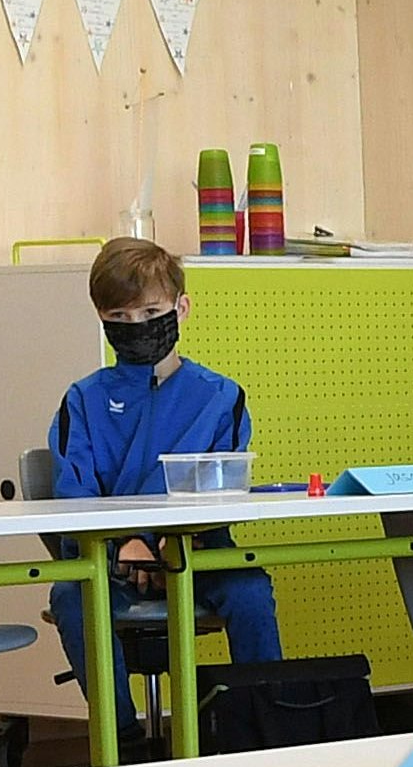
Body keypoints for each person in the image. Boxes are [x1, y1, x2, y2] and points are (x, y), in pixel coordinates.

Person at [44, 237, 279, 737]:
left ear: (181, 308)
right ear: (103, 321)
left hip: (198, 548)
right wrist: (124, 542)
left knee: (250, 591)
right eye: (120, 317)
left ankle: (264, 731)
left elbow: (223, 485)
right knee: (71, 596)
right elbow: (74, 490)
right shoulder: (82, 402)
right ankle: (120, 738)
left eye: (151, 311)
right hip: (109, 557)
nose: (138, 326)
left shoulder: (222, 397)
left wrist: (177, 539)